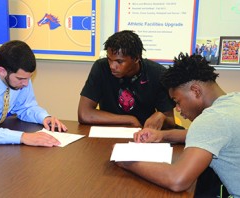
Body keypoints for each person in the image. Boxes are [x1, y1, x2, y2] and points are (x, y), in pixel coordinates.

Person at [116, 53, 240, 197]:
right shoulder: (233, 101)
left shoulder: (212, 120)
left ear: (195, 91)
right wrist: (162, 135)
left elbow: (177, 180)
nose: (178, 109)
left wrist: (126, 161)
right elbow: (210, 136)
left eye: (178, 101)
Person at [78, 30, 176, 129]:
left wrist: (162, 117)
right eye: (109, 59)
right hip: (109, 131)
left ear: (136, 58)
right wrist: (130, 120)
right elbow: (84, 114)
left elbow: (170, 120)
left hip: (143, 134)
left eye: (119, 61)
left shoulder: (157, 73)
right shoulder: (101, 67)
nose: (112, 66)